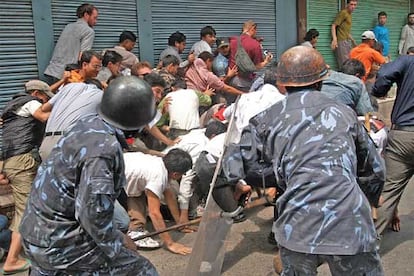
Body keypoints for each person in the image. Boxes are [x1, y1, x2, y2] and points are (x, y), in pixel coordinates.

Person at [217, 46, 385, 275]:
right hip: (350, 223)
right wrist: (369, 199)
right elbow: (375, 170)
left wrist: (279, 175)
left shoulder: (264, 119)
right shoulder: (344, 113)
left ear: (282, 84)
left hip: (297, 226)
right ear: (322, 80)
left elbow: (235, 167)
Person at [19, 76, 159, 275]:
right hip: (58, 246)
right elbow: (92, 215)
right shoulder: (104, 149)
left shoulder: (84, 125)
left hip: (36, 235)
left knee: (119, 224)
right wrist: (119, 241)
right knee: (143, 270)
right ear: (136, 123)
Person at [0, 80, 52, 275]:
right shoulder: (31, 102)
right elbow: (42, 115)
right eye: (45, 98)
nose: (45, 102)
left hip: (14, 160)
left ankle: (36, 247)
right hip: (23, 161)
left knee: (33, 205)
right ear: (37, 93)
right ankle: (12, 259)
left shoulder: (13, 108)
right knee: (25, 210)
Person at [372, 55, 414, 238]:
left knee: (387, 193)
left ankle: (367, 251)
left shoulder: (409, 61)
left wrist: (380, 90)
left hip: (404, 136)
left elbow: (384, 73)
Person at [124, 149, 193, 254]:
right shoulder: (158, 176)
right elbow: (154, 213)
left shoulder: (162, 164)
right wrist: (170, 244)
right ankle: (135, 232)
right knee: (121, 221)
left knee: (140, 195)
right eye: (182, 174)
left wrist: (180, 223)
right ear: (175, 174)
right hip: (106, 179)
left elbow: (169, 195)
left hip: (125, 169)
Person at [44, 3, 98, 85]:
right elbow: (83, 57)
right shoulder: (88, 31)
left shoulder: (68, 26)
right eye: (94, 18)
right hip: (69, 75)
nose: (96, 22)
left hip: (54, 70)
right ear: (86, 15)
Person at [228, 20, 273, 92]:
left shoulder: (232, 40)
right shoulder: (255, 45)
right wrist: (266, 61)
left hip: (232, 80)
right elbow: (257, 66)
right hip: (245, 82)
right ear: (252, 29)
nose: (256, 33)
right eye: (256, 30)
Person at [331, 0, 358, 69]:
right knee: (344, 64)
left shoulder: (349, 15)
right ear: (347, 4)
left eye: (355, 5)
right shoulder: (343, 13)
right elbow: (334, 25)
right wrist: (334, 39)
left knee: (348, 62)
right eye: (351, 4)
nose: (353, 7)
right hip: (341, 41)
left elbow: (346, 31)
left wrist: (353, 41)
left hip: (347, 41)